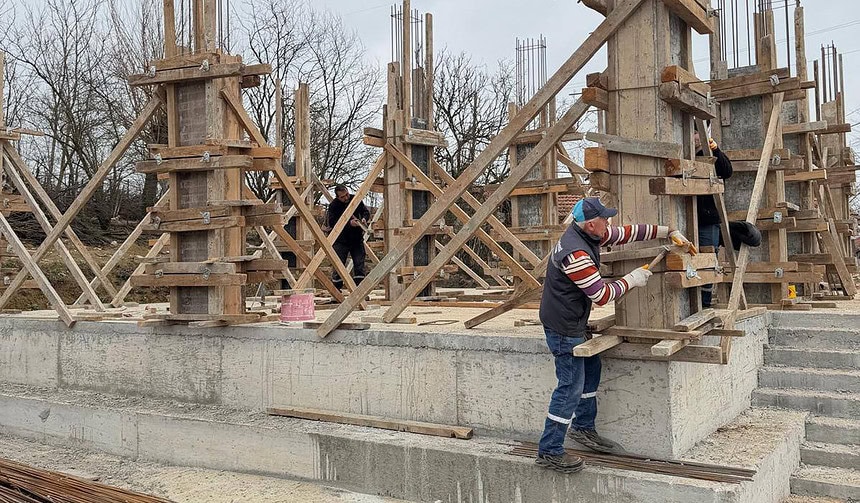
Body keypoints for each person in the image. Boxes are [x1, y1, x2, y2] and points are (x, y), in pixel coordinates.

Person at [535, 197, 695, 474]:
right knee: (569, 387)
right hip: (562, 327)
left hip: (572, 320)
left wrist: (668, 230)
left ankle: (583, 428)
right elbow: (601, 295)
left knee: (592, 367)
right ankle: (549, 450)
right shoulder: (576, 255)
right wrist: (632, 280)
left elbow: (629, 233)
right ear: (590, 223)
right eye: (605, 220)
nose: (609, 224)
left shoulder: (590, 232)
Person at [695, 125, 733, 307]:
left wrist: (715, 149)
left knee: (708, 259)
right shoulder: (685, 153)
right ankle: (694, 303)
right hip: (687, 218)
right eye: (693, 133)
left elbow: (727, 171)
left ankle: (705, 303)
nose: (695, 137)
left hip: (707, 219)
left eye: (697, 133)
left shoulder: (709, 153)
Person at [324, 185, 370, 289]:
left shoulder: (355, 199)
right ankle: (337, 291)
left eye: (347, 194)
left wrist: (364, 219)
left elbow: (365, 212)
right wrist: (349, 224)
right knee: (338, 266)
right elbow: (333, 223)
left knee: (359, 264)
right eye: (343, 197)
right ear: (337, 197)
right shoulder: (334, 206)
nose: (346, 198)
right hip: (341, 240)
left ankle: (360, 290)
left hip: (356, 239)